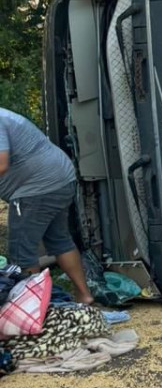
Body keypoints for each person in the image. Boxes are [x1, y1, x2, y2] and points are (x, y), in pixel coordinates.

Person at [0, 106, 94, 303]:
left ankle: (32, 308)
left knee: (22, 251)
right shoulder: (5, 116)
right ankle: (84, 296)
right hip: (61, 178)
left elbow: (2, 163)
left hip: (36, 188)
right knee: (60, 240)